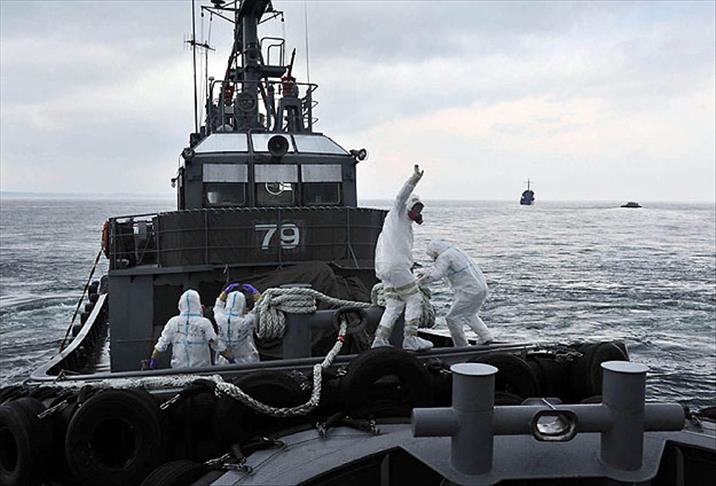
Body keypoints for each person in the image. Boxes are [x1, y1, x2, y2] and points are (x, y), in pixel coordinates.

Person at [372, 164, 434, 351]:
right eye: (415, 207)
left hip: (385, 268)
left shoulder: (399, 225)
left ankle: (380, 339)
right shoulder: (397, 214)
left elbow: (384, 246)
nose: (417, 212)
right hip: (396, 266)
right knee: (414, 298)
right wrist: (413, 180)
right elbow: (401, 197)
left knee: (394, 305)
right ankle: (410, 338)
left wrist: (381, 270)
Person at [417, 240, 493, 346]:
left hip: (468, 291)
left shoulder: (444, 257)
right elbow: (446, 270)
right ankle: (485, 336)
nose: (433, 259)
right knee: (470, 314)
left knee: (452, 318)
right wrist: (426, 273)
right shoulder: (456, 252)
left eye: (433, 256)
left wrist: (419, 283)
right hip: (481, 288)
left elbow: (436, 275)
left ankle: (461, 344)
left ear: (435, 252)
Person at [148, 289, 235, 369]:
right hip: (201, 370)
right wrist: (231, 359)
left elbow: (161, 344)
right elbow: (216, 344)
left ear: (180, 304)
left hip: (178, 370)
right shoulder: (204, 323)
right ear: (198, 303)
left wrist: (153, 359)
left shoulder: (173, 322)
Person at [213, 283, 260, 365]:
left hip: (223, 362)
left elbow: (218, 305)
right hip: (246, 361)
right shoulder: (246, 321)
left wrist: (226, 291)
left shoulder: (219, 318)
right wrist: (255, 292)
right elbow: (259, 309)